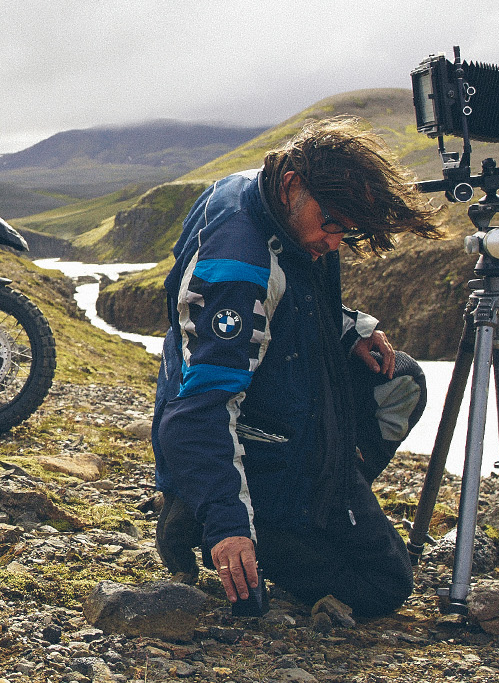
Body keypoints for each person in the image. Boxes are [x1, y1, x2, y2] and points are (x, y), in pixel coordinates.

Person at [151, 116, 445, 620]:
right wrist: (228, 526)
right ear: (292, 185)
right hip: (256, 435)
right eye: (333, 224)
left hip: (283, 402)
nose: (335, 242)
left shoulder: (259, 193)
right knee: (383, 584)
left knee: (399, 380)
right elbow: (199, 409)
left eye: (347, 231)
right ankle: (215, 513)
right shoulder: (237, 269)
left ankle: (313, 503)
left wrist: (350, 329)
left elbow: (290, 299)